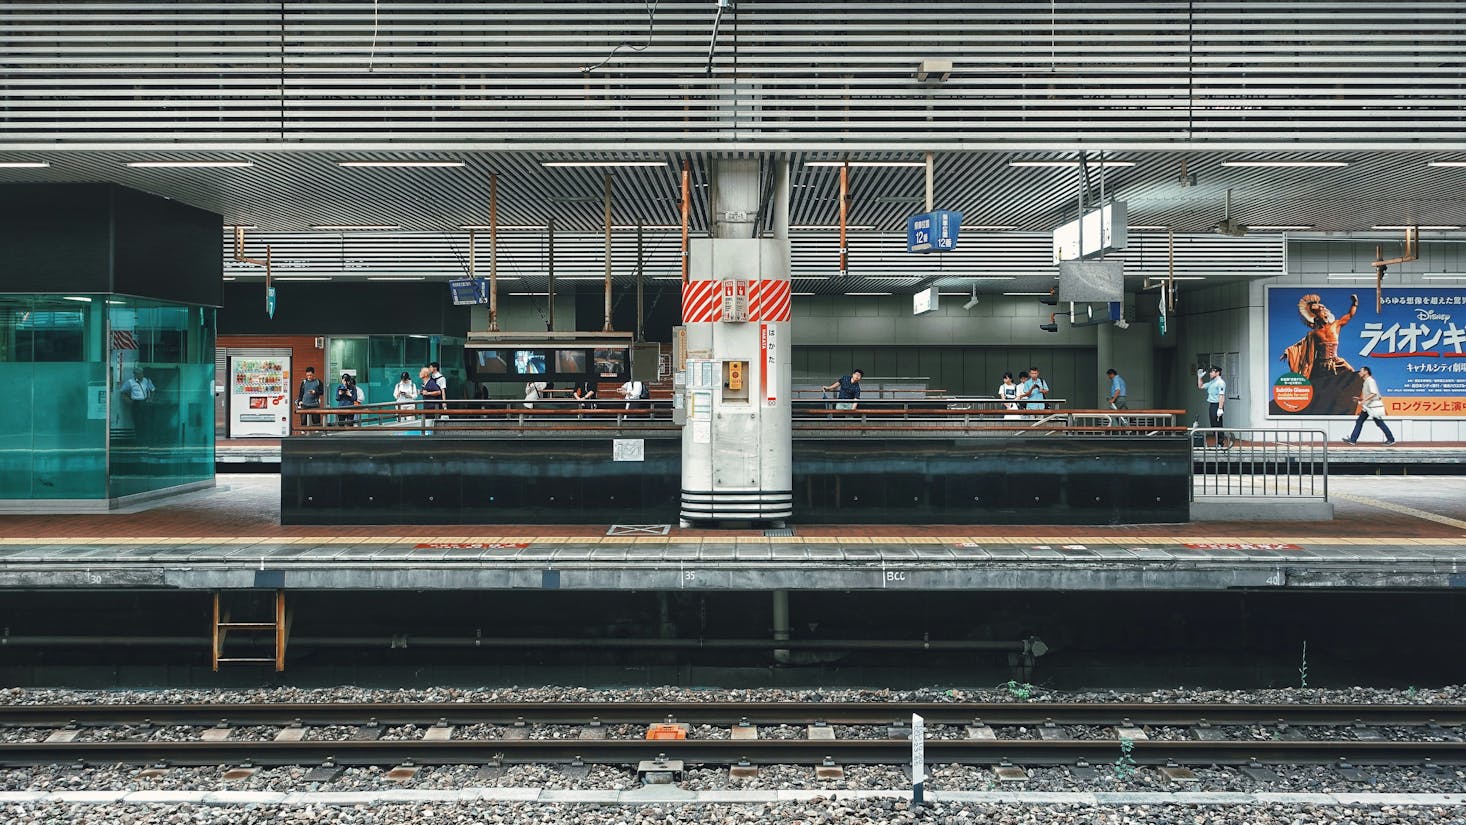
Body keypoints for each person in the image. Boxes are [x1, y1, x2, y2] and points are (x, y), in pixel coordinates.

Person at [1281, 293, 1358, 379]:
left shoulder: (1335, 325)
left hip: (1335, 362)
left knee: (1351, 374)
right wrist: (1288, 352)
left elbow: (1349, 315)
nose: (1325, 313)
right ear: (1317, 318)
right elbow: (1301, 345)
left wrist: (1354, 303)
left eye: (1326, 312)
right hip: (1320, 366)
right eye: (1322, 312)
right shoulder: (1314, 333)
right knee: (1316, 386)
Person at [1343, 365, 1396, 446]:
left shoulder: (1370, 381)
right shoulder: (1366, 381)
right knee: (1360, 421)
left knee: (1379, 422)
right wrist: (1359, 399)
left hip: (1372, 406)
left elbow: (1374, 393)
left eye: (1361, 371)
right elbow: (1369, 394)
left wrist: (1363, 400)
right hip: (1368, 407)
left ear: (1366, 372)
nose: (1359, 373)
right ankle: (1353, 439)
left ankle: (1391, 439)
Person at [1197, 365, 1231, 447]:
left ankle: (1220, 443)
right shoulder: (1212, 382)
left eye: (1212, 371)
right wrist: (1199, 377)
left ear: (1218, 372)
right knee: (1213, 424)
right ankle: (1217, 442)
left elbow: (1221, 396)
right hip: (1212, 405)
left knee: (1218, 424)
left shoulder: (1220, 383)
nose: (1210, 373)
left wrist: (1220, 408)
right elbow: (1200, 386)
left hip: (1217, 405)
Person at [119, 367, 156, 438]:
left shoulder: (147, 381)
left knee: (147, 421)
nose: (140, 376)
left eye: (141, 374)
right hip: (136, 403)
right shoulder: (130, 382)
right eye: (138, 374)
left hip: (145, 402)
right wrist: (129, 401)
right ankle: (139, 438)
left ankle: (148, 437)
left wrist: (151, 399)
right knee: (138, 422)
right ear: (135, 375)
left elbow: (153, 390)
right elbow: (122, 392)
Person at [297, 366, 325, 430]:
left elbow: (322, 392)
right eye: (307, 375)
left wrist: (315, 392)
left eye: (310, 375)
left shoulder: (318, 382)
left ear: (313, 374)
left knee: (316, 421)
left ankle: (316, 433)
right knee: (303, 421)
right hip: (305, 404)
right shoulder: (304, 382)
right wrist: (299, 401)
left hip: (314, 404)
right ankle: (304, 433)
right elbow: (301, 393)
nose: (309, 377)